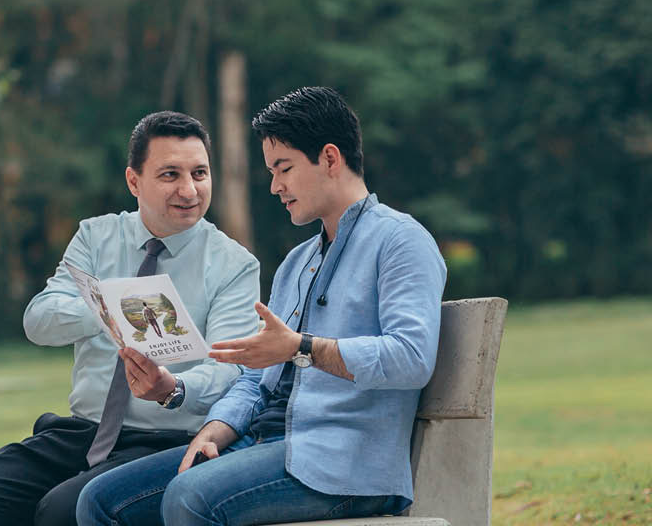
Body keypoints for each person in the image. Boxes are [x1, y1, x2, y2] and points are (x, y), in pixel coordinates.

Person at [76, 86, 448, 525]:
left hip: (341, 464)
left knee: (190, 498)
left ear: (330, 158)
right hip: (259, 445)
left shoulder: (400, 241)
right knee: (99, 499)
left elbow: (411, 357)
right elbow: (257, 377)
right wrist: (216, 429)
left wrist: (302, 347)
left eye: (284, 168)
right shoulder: (298, 262)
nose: (275, 186)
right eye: (272, 172)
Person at [0, 111, 261, 526]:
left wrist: (172, 388)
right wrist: (111, 310)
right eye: (170, 175)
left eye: (199, 173)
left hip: (166, 441)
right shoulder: (96, 236)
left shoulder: (234, 264)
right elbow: (39, 321)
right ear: (133, 181)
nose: (189, 190)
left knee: (60, 513)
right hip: (81, 432)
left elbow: (231, 369)